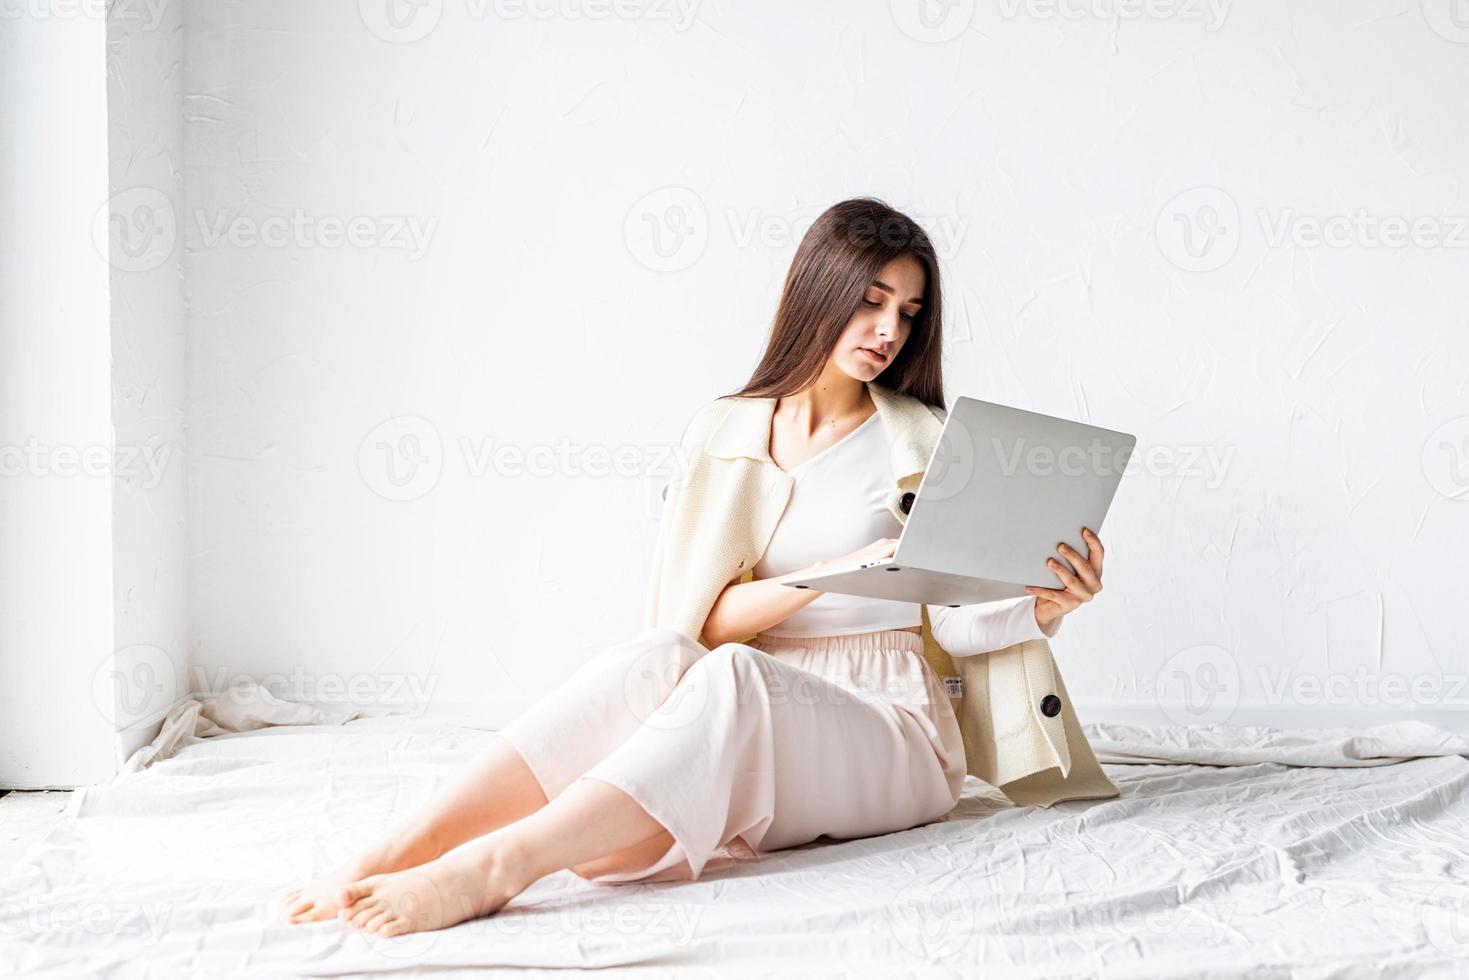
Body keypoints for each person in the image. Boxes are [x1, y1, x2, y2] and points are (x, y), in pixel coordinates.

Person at [281, 197, 1108, 938]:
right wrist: (838, 567)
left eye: (907, 311)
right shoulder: (725, 431)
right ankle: (396, 850)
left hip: (895, 727)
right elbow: (698, 620)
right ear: (819, 291)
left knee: (732, 677)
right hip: (744, 695)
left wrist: (1045, 607)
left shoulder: (923, 439)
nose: (888, 330)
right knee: (657, 657)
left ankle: (498, 867)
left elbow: (957, 620)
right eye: (870, 300)